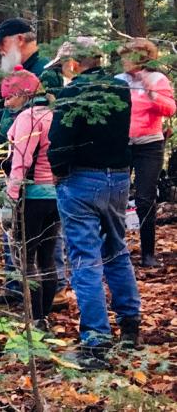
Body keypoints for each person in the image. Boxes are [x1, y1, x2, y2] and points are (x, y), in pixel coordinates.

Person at [48, 37, 140, 369]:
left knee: (85, 258)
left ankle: (96, 341)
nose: (63, 73)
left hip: (81, 181)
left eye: (63, 66)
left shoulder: (72, 93)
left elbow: (59, 140)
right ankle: (130, 326)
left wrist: (57, 171)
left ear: (74, 63)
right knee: (116, 250)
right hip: (117, 178)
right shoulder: (120, 89)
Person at [1, 68, 59, 321]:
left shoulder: (29, 118)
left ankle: (35, 320)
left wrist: (9, 200)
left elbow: (21, 162)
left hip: (32, 197)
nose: (6, 103)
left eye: (9, 97)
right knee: (47, 258)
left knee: (26, 261)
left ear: (23, 94)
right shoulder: (53, 114)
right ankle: (44, 315)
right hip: (55, 197)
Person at [115, 38, 175, 268]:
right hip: (121, 145)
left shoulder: (157, 79)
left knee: (144, 199)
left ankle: (148, 253)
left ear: (142, 57)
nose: (124, 61)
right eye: (122, 57)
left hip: (150, 145)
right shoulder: (118, 81)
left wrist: (149, 91)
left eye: (127, 56)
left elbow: (170, 108)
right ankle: (116, 250)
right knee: (116, 198)